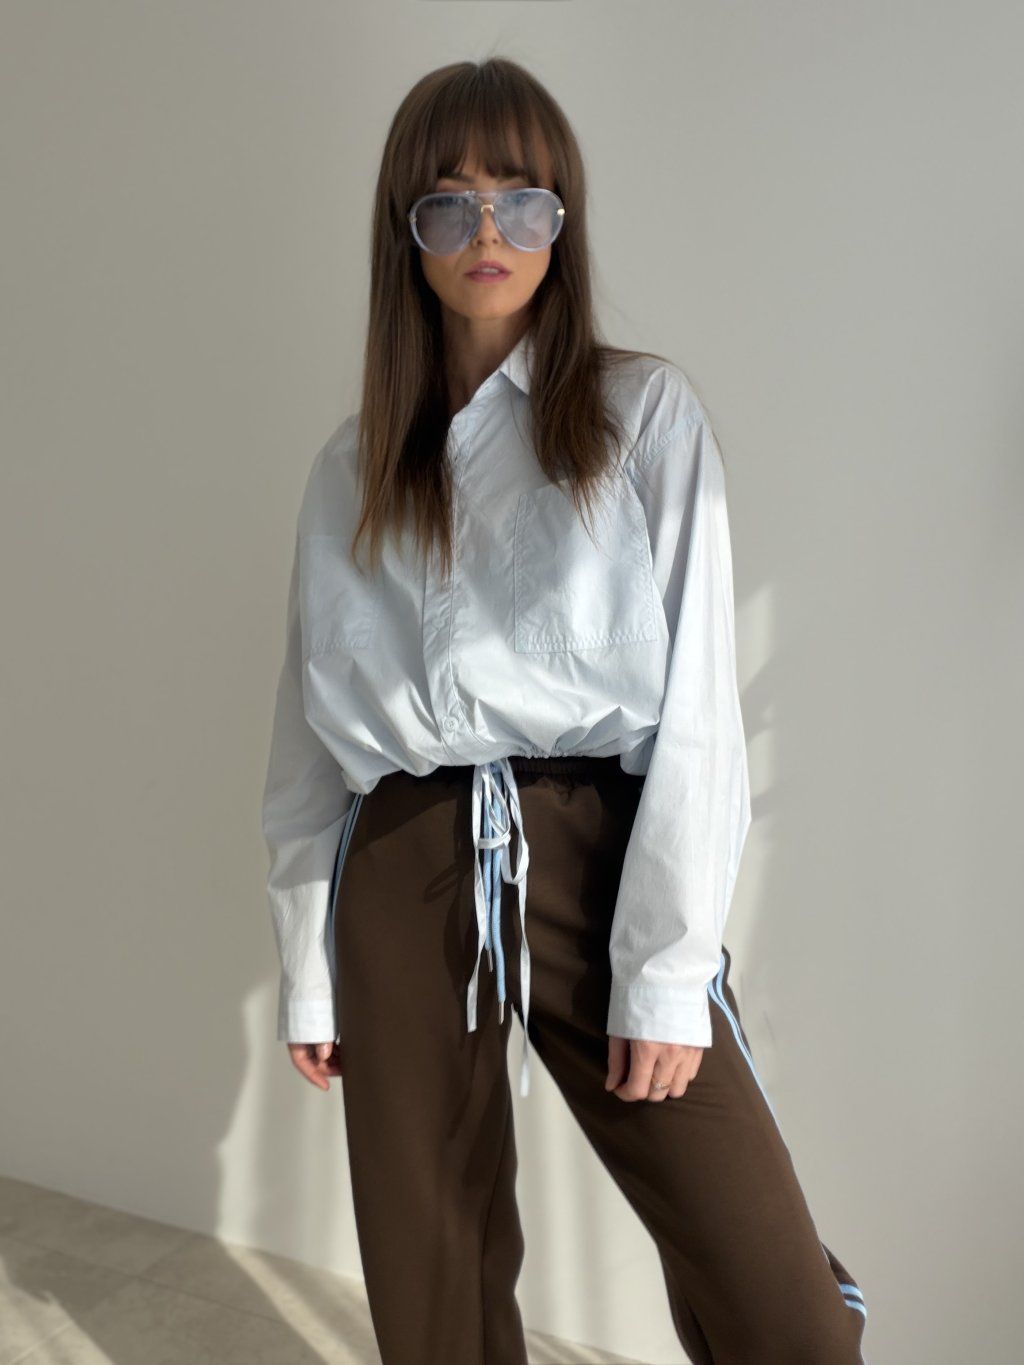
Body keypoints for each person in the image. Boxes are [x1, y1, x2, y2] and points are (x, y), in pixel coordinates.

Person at [261, 56, 867, 1365]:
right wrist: (309, 965)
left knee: (788, 1319)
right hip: (402, 863)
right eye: (449, 200)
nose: (487, 230)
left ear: (562, 220)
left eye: (521, 198)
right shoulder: (349, 467)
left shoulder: (642, 416)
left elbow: (700, 712)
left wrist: (667, 968)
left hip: (595, 853)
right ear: (406, 230)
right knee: (435, 1296)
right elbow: (306, 747)